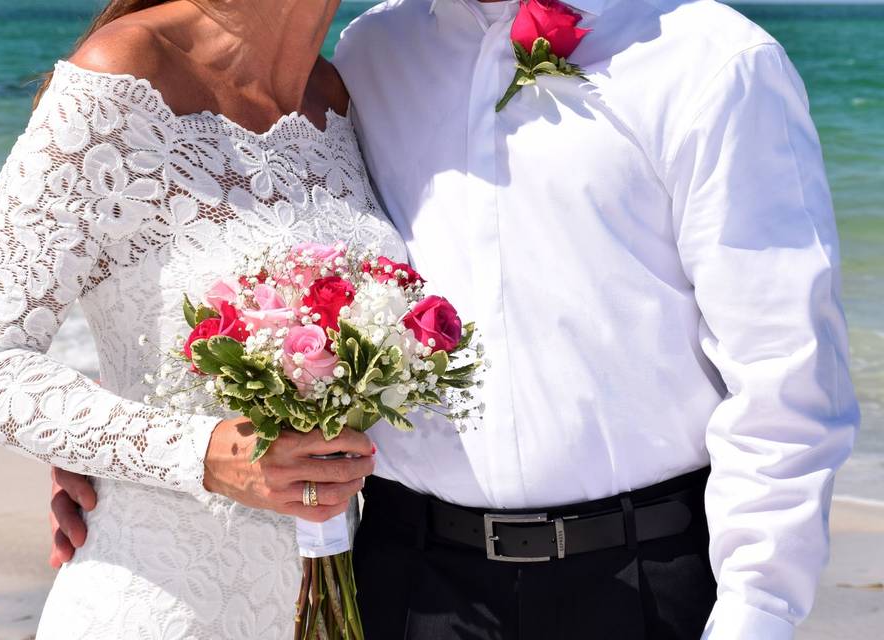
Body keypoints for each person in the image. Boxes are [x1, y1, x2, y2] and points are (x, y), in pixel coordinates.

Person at [50, 0, 860, 638]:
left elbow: (785, 378)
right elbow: (264, 257)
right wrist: (134, 429)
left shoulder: (714, 64)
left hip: (642, 583)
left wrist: (758, 613)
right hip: (405, 580)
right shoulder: (369, 55)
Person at [0, 0, 397, 637]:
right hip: (160, 599)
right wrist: (199, 453)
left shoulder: (338, 93)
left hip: (335, 601)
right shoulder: (121, 76)